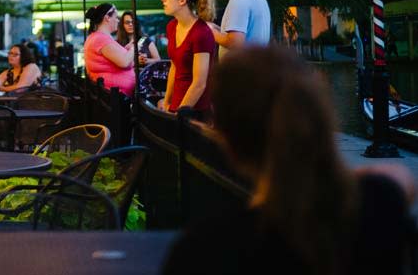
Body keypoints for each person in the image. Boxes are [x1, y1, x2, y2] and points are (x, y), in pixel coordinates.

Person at [162, 47, 416, 274]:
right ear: (319, 117)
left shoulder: (204, 250)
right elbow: (399, 176)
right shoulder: (377, 207)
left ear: (229, 143)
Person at [159, 0, 216, 117]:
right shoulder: (172, 26)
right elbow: (174, 66)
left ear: (182, 0)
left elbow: (199, 83)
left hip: (195, 111)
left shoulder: (201, 33)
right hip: (176, 107)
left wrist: (180, 114)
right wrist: (167, 102)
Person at [82, 3, 135, 97]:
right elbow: (124, 62)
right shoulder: (101, 39)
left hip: (111, 95)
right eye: (116, 17)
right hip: (116, 97)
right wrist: (134, 46)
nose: (118, 21)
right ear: (107, 18)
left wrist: (126, 49)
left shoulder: (98, 37)